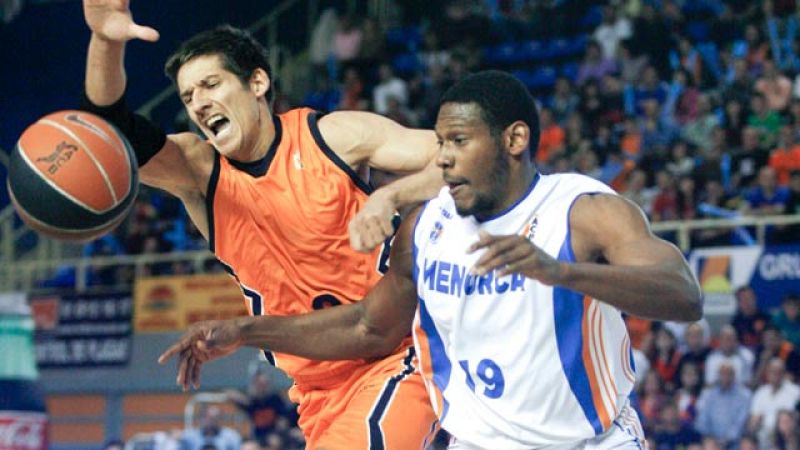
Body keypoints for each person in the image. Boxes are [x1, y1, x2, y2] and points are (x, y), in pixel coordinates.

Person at [161, 70, 703, 449]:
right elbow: (368, 327)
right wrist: (244, 331)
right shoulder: (426, 228)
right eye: (440, 142)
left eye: (459, 142)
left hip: (592, 441)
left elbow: (683, 294)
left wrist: (561, 273)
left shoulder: (582, 210)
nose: (442, 158)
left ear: (514, 139)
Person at [79, 1, 442, 448]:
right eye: (188, 97)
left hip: (401, 353)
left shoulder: (332, 136)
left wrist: (392, 195)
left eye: (211, 84)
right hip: (316, 392)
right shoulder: (199, 171)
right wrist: (105, 41)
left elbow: (458, 156)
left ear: (257, 82)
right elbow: (109, 134)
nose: (199, 103)